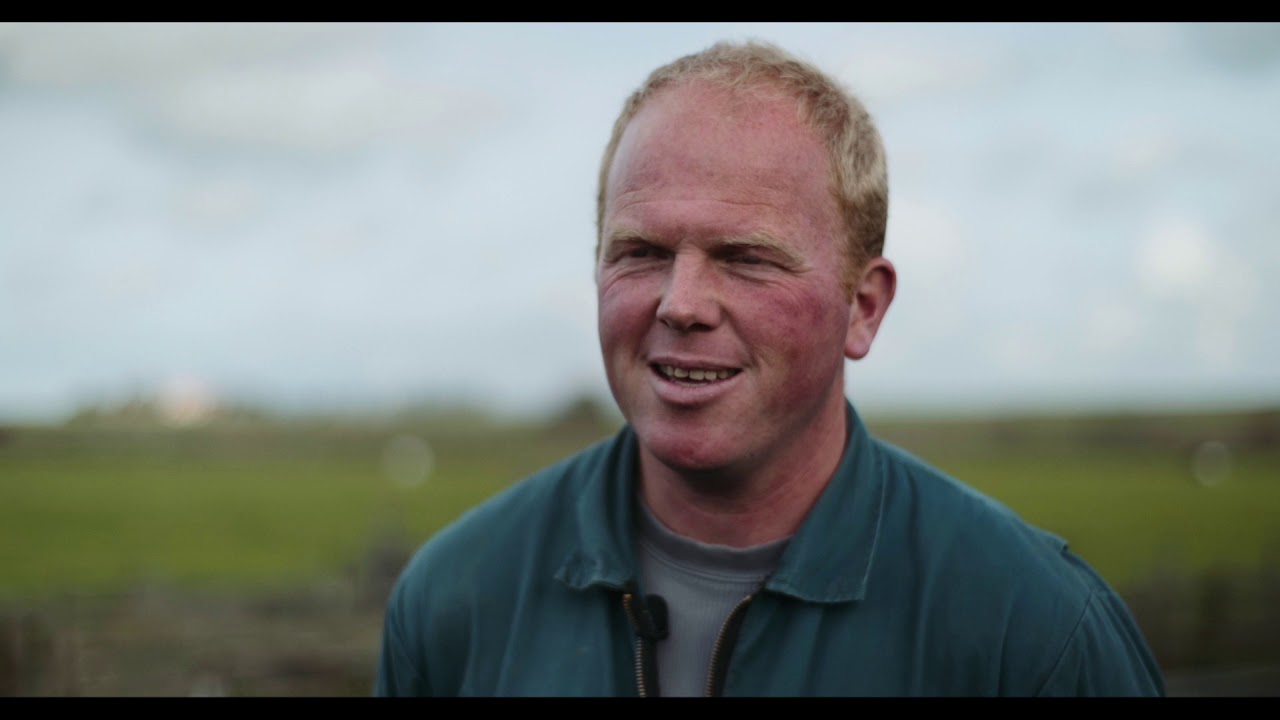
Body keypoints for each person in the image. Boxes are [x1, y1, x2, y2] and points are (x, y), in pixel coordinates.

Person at [374, 40, 1167, 697]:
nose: (682, 304)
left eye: (746, 258)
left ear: (863, 307)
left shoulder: (1032, 632)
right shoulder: (456, 603)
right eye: (641, 252)